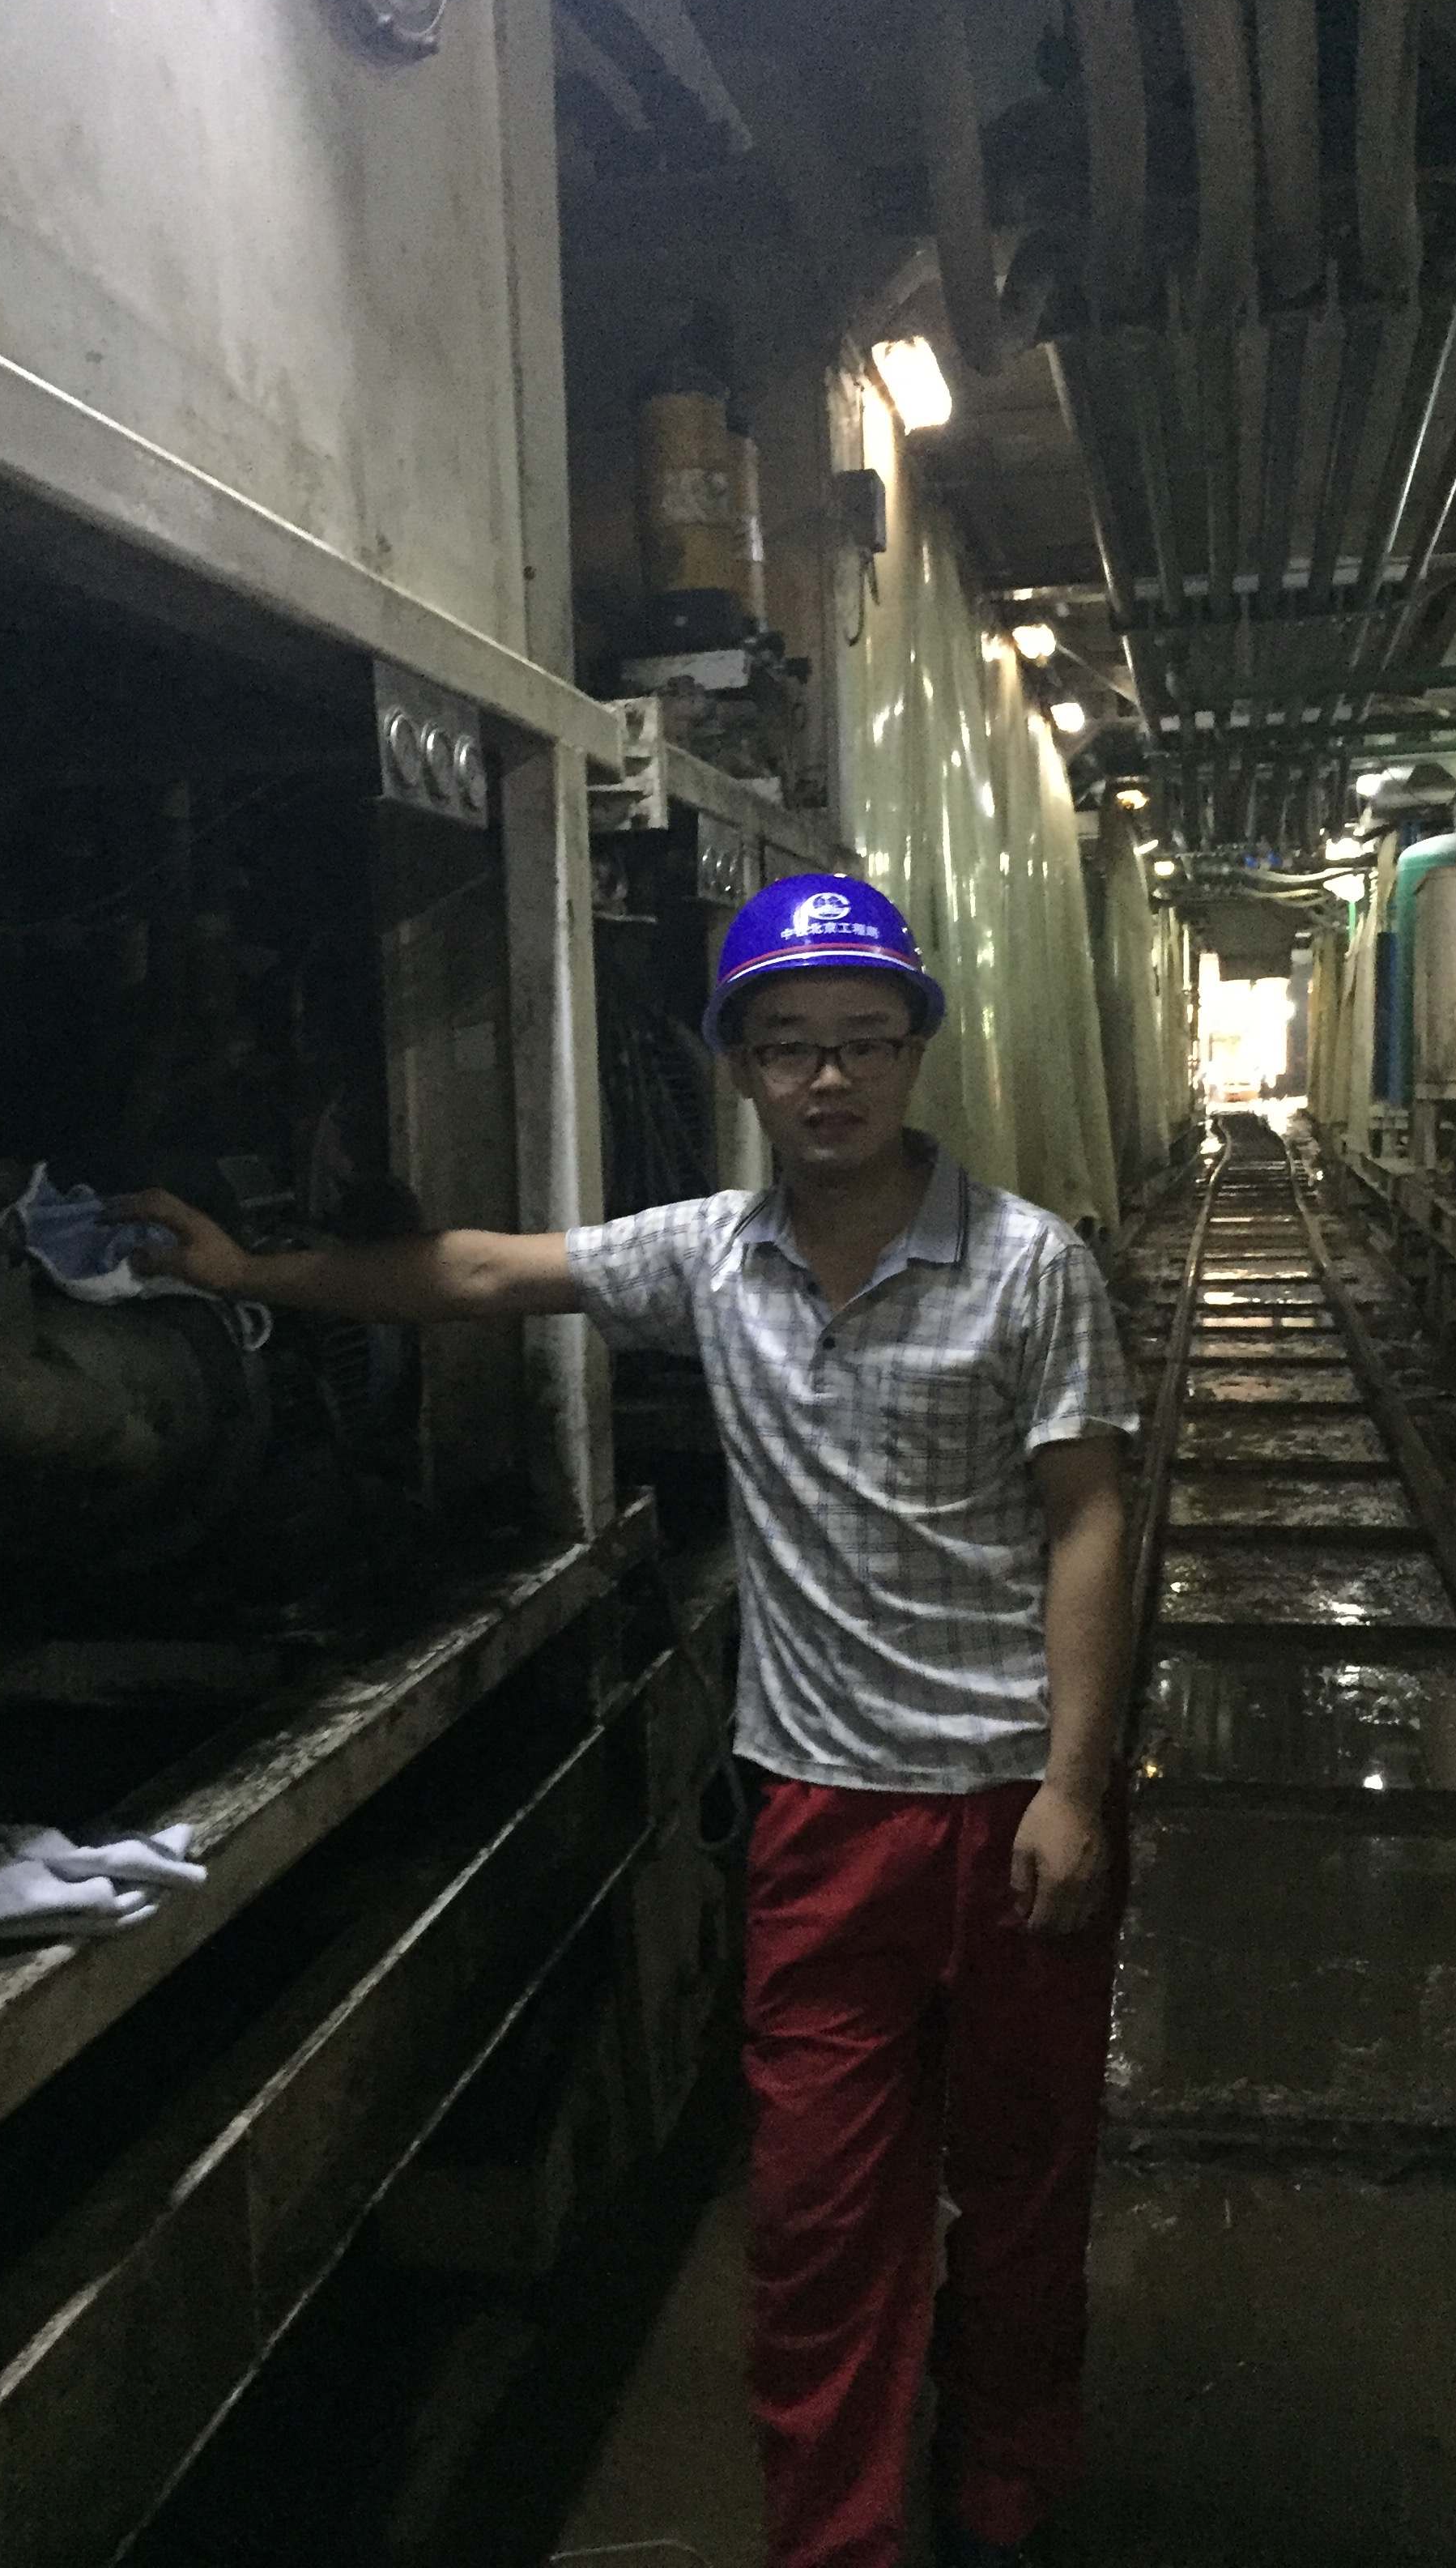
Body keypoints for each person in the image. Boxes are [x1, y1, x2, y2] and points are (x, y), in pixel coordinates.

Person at [119, 873, 1136, 2568]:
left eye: (864, 1040)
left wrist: (1078, 1789)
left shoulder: (1033, 1266)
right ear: (740, 1065)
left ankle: (1005, 2487)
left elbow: (1090, 1518)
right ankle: (839, 2541)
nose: (830, 1077)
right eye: (790, 1044)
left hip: (1012, 1802)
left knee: (1025, 2192)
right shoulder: (709, 1259)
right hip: (822, 1816)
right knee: (818, 2219)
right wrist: (253, 1271)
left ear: (915, 1052)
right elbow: (477, 1271)